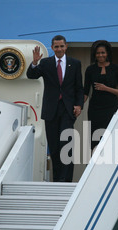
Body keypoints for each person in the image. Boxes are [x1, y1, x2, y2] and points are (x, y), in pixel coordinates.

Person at [27, 35, 84, 182]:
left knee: (66, 145)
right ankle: (57, 180)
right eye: (56, 46)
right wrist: (34, 62)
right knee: (54, 146)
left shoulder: (75, 63)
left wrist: (79, 105)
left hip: (67, 110)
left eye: (61, 46)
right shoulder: (45, 63)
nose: (59, 49)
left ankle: (66, 181)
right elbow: (31, 75)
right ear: (52, 48)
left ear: (66, 47)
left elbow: (79, 87)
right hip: (51, 110)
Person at [84, 40, 118, 150]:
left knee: (110, 138)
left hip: (111, 108)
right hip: (95, 110)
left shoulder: (116, 69)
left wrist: (106, 88)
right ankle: (94, 164)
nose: (100, 55)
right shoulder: (90, 70)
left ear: (107, 53)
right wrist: (78, 106)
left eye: (103, 52)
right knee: (95, 139)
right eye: (98, 53)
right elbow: (85, 92)